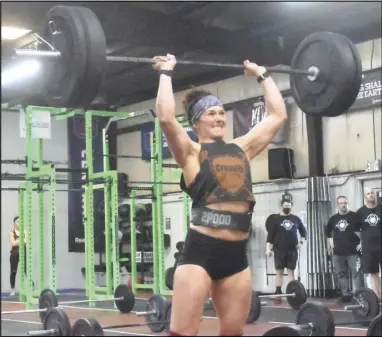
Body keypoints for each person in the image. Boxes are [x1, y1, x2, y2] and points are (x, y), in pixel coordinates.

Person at [152, 54, 287, 336]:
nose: (219, 117)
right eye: (211, 113)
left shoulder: (242, 148)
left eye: (222, 112)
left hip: (236, 256)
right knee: (184, 333)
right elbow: (165, 118)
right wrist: (166, 73)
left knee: (233, 333)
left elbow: (278, 116)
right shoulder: (191, 153)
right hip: (200, 252)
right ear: (195, 123)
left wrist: (262, 74)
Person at [265, 200, 307, 304]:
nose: (287, 207)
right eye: (286, 206)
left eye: (289, 206)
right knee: (279, 272)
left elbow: (303, 232)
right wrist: (268, 249)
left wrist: (301, 242)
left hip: (292, 250)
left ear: (291, 207)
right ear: (281, 206)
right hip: (279, 250)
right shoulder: (275, 219)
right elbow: (270, 236)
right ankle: (278, 294)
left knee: (291, 273)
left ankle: (293, 294)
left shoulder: (295, 219)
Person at [325, 196, 364, 303]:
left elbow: (364, 230)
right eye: (341, 203)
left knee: (357, 274)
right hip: (338, 252)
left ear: (348, 203)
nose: (343, 205)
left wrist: (362, 243)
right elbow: (328, 231)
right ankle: (345, 294)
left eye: (345, 203)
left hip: (354, 252)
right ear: (338, 205)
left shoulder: (355, 216)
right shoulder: (333, 219)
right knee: (341, 274)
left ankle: (360, 295)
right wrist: (331, 242)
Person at [356, 188, 381, 301]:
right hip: (369, 247)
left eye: (372, 193)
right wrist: (362, 240)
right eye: (368, 193)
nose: (371, 195)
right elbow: (355, 229)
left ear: (375, 195)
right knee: (373, 273)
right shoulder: (360, 212)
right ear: (365, 196)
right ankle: (377, 298)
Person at [8, 216, 27, 296]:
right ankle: (12, 289)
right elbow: (13, 243)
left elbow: (26, 241)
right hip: (14, 254)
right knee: (13, 271)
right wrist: (21, 241)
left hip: (23, 252)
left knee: (27, 270)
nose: (19, 223)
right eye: (18, 221)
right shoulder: (11, 232)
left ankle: (31, 287)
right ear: (14, 223)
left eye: (20, 221)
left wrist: (18, 241)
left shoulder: (24, 231)